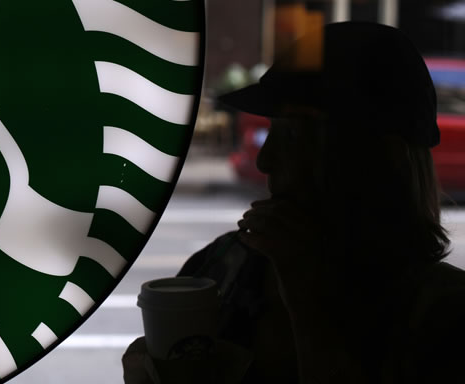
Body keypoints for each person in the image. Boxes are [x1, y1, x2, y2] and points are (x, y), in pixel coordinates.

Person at [124, 21, 465, 383]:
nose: (265, 160)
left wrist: (308, 299)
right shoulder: (220, 270)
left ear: (375, 160)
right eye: (272, 130)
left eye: (293, 135)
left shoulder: (444, 317)